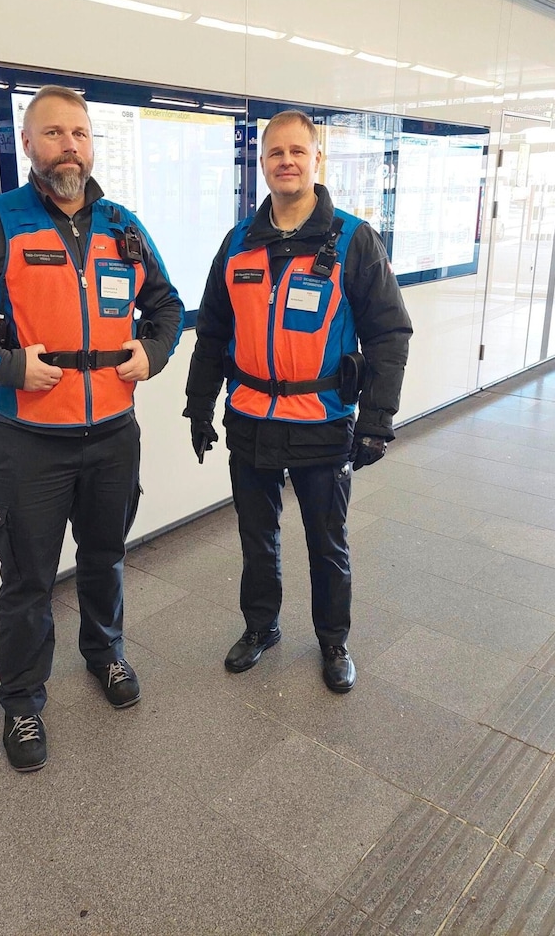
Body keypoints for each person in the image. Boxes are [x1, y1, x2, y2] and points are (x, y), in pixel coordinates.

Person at [0, 86, 183, 772]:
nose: (69, 144)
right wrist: (7, 366)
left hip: (113, 434)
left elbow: (169, 305)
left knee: (105, 556)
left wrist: (152, 354)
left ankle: (105, 654)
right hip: (29, 439)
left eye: (80, 133)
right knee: (28, 577)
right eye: (54, 133)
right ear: (28, 144)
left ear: (92, 145)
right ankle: (21, 701)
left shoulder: (122, 225)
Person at [184, 110, 411, 693]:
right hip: (251, 420)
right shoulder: (237, 244)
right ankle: (261, 627)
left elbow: (389, 333)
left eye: (297, 151)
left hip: (322, 421)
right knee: (256, 537)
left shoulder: (354, 241)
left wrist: (377, 421)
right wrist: (199, 406)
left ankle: (333, 639)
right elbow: (213, 332)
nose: (286, 161)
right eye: (274, 153)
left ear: (316, 160)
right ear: (262, 164)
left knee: (326, 541)